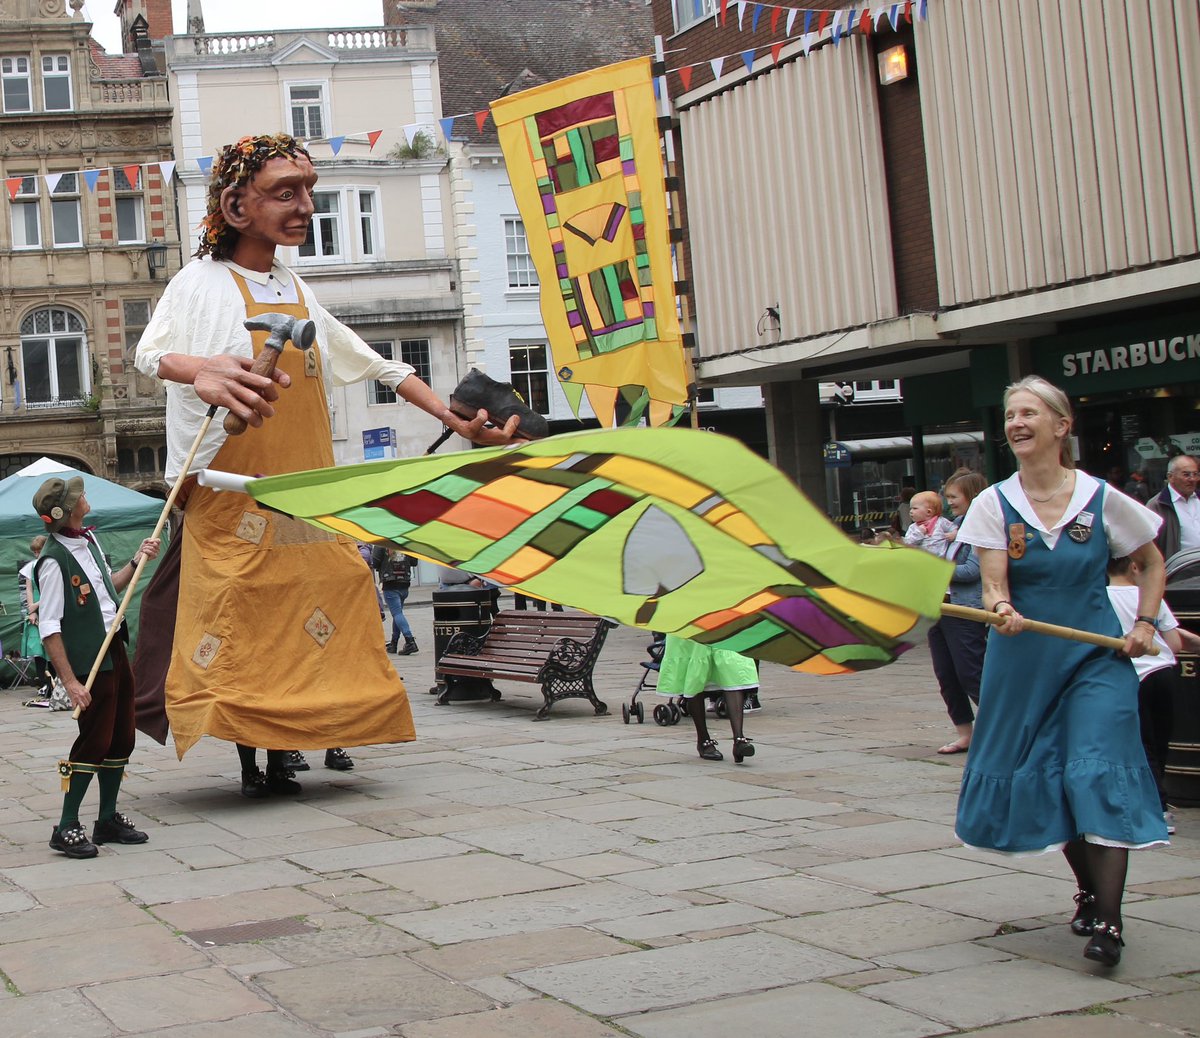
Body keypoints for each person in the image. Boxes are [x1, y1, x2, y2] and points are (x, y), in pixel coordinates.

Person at [132, 133, 520, 798]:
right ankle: (257, 755)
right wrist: (203, 370)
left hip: (302, 490)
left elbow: (376, 362)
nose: (306, 205)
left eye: (308, 190)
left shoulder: (294, 287)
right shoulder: (199, 283)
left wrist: (451, 419)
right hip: (232, 494)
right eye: (286, 192)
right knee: (246, 619)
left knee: (333, 594)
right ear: (235, 205)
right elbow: (151, 355)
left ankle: (305, 737)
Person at [955, 375, 1167, 968]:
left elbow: (1151, 562)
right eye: (1010, 415)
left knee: (1095, 768)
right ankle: (1089, 889)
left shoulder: (1102, 497)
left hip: (1097, 655)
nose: (1016, 423)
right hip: (1023, 662)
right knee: (1050, 778)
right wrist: (1000, 607)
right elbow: (995, 578)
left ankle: (1110, 920)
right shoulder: (993, 502)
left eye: (1028, 413)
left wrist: (1146, 624)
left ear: (1061, 426)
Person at [32, 476, 160, 858]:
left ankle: (106, 819)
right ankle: (67, 824)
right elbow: (50, 627)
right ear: (67, 511)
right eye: (80, 497)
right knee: (93, 742)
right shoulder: (53, 561)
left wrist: (138, 559)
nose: (85, 499)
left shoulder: (89, 541)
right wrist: (70, 682)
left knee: (123, 739)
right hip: (90, 663)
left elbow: (111, 589)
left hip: (114, 651)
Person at [1107, 555, 1200, 836]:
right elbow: (1173, 641)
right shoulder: (1149, 596)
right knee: (1160, 744)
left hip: (1134, 677)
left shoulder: (1100, 598)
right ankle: (1156, 802)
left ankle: (1157, 808)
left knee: (1141, 744)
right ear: (1135, 566)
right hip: (1164, 673)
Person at [928, 470, 988, 755]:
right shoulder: (951, 527)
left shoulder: (981, 528)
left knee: (970, 672)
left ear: (971, 496)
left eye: (953, 496)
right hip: (940, 607)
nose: (948, 501)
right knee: (946, 674)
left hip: (965, 610)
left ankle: (1001, 729)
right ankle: (965, 733)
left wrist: (934, 568)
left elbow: (973, 570)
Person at [657, 635, 757, 764]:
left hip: (720, 618)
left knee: (732, 669)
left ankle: (739, 739)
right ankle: (703, 740)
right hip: (689, 622)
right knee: (694, 675)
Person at [18, 534, 55, 697]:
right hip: (35, 613)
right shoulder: (31, 567)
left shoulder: (51, 566)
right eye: (35, 552)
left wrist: (37, 605)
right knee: (38, 651)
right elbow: (29, 589)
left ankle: (55, 685)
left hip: (51, 608)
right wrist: (31, 611)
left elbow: (52, 591)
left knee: (52, 650)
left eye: (39, 551)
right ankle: (46, 684)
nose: (37, 554)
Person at [1147, 454, 1200, 560]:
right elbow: (1148, 547)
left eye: (1196, 474)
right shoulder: (1157, 505)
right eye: (1186, 475)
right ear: (1170, 477)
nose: (1192, 479)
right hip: (1178, 571)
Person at [373, 545, 418, 655]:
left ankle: (410, 640)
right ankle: (394, 643)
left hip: (390, 582)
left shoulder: (381, 541)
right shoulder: (404, 540)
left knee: (397, 613)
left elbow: (375, 561)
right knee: (398, 614)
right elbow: (414, 561)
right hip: (405, 582)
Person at [904, 490, 957, 558]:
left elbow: (954, 528)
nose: (911, 511)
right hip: (922, 560)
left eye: (915, 508)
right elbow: (907, 543)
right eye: (910, 508)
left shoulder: (941, 522)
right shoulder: (913, 527)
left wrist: (953, 534)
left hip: (941, 560)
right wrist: (919, 533)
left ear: (928, 512)